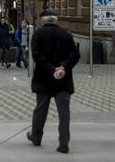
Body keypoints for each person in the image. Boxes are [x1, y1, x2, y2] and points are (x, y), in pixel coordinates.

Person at [27, 10, 80, 154]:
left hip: (44, 78)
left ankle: (36, 137)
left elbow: (37, 56)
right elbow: (75, 54)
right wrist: (63, 67)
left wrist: (51, 69)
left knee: (40, 109)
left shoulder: (37, 35)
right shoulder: (66, 35)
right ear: (55, 21)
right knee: (64, 112)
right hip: (63, 79)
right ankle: (64, 143)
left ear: (43, 21)